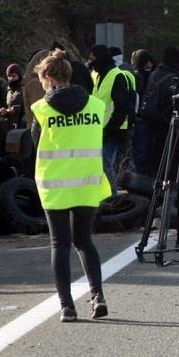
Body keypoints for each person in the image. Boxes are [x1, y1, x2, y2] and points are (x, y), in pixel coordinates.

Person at [30, 50, 111, 323]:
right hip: (87, 182)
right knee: (85, 241)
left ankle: (67, 307)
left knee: (60, 244)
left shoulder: (42, 109)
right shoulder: (95, 105)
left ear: (50, 78)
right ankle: (98, 296)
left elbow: (34, 143)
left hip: (54, 186)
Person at [87, 44, 134, 192]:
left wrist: (108, 130)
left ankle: (112, 198)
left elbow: (121, 108)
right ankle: (104, 197)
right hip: (96, 130)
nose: (90, 62)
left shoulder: (117, 76)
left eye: (92, 59)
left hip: (113, 131)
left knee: (106, 165)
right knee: (99, 166)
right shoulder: (95, 75)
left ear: (100, 59)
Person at [137, 47, 179, 175]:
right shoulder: (175, 79)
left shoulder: (154, 74)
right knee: (172, 160)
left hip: (151, 123)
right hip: (169, 124)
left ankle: (155, 186)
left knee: (155, 158)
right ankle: (173, 183)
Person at [129, 49, 156, 173]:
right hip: (140, 120)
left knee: (144, 150)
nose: (149, 65)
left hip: (146, 119)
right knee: (141, 150)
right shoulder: (136, 78)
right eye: (146, 62)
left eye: (150, 62)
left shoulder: (151, 77)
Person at [4, 63, 25, 129]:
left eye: (14, 76)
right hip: (11, 125)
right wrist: (5, 111)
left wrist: (15, 109)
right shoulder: (9, 91)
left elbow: (29, 106)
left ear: (19, 76)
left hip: (23, 124)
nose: (11, 78)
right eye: (9, 76)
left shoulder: (24, 88)